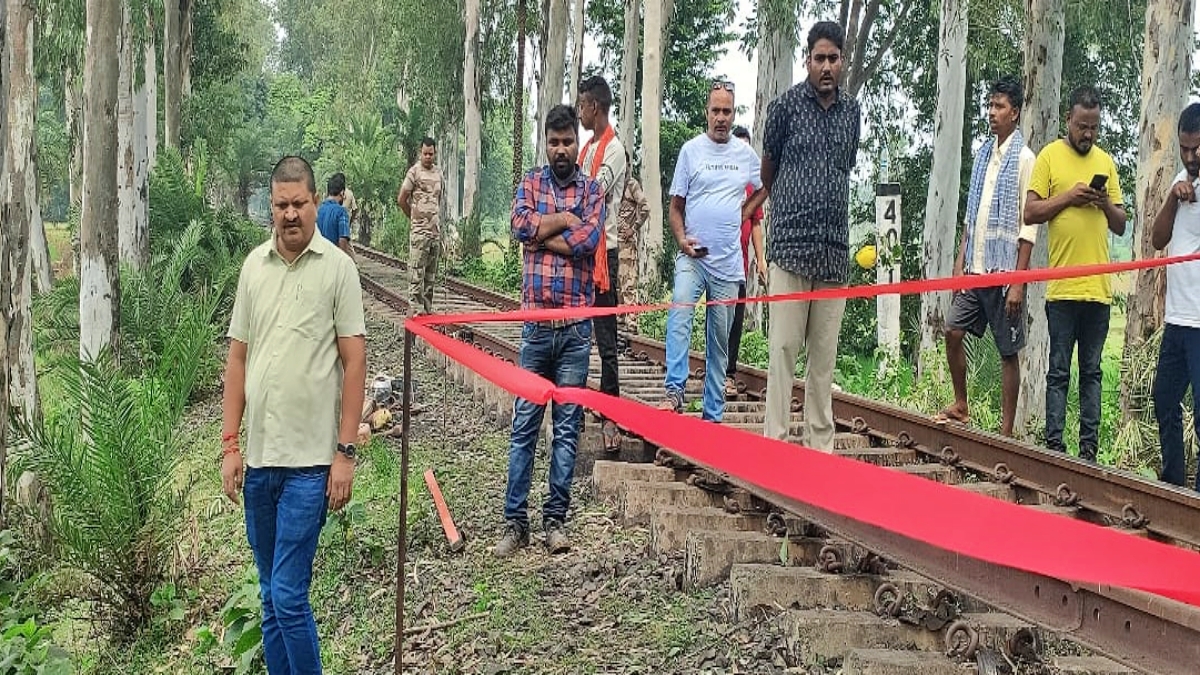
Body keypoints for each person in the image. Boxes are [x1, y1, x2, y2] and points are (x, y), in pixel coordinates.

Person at [220, 156, 367, 674]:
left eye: (298, 204)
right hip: (259, 461)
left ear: (314, 203)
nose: (289, 214)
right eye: (280, 205)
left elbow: (354, 364)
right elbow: (237, 358)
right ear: (271, 207)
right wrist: (230, 445)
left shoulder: (338, 270)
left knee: (288, 594)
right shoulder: (253, 268)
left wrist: (344, 453)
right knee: (267, 596)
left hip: (309, 464)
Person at [495, 104, 603, 557]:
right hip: (536, 329)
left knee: (567, 428)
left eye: (568, 141)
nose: (561, 150)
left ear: (577, 142)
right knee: (524, 425)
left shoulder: (593, 190)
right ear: (546, 142)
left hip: (576, 330)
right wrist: (562, 220)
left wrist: (541, 233)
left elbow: (589, 242)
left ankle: (555, 520)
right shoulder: (530, 182)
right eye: (554, 142)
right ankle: (514, 522)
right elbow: (520, 225)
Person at [755, 22, 861, 451]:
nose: (827, 67)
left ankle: (820, 453)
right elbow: (768, 169)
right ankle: (776, 447)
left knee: (823, 362)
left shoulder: (851, 112)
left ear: (842, 61)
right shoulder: (784, 108)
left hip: (833, 253)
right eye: (819, 58)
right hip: (790, 249)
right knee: (782, 350)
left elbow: (846, 165)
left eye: (833, 58)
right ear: (807, 61)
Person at [1024, 85, 1126, 462]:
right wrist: (1068, 196)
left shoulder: (1107, 163)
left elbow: (1120, 223)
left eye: (1094, 127)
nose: (1088, 134)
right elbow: (1031, 213)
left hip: (1098, 293)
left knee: (1093, 373)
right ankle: (1054, 444)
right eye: (1083, 125)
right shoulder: (1050, 157)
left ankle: (1088, 450)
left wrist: (1101, 202)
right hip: (1062, 290)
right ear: (1068, 119)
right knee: (1059, 370)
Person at [937, 76, 1037, 437]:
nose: (993, 113)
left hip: (1005, 269)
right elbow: (971, 215)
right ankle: (961, 403)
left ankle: (1006, 431)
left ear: (1015, 112)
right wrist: (961, 262)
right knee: (951, 329)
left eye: (1000, 106)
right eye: (990, 105)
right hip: (976, 267)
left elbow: (1029, 228)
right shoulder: (983, 155)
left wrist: (1017, 283)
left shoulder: (1025, 159)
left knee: (1007, 351)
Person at [659, 82, 764, 421]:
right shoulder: (691, 151)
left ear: (734, 114)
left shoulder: (745, 156)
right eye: (715, 111)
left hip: (728, 266)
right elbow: (675, 206)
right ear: (707, 112)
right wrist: (680, 239)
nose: (721, 118)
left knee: (719, 340)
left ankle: (712, 415)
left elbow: (766, 186)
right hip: (693, 258)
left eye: (727, 112)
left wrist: (745, 212)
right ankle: (674, 391)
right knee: (680, 313)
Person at [577, 75, 628, 452]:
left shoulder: (613, 150)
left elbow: (591, 192)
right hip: (580, 249)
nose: (579, 111)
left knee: (605, 337)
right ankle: (576, 406)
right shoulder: (586, 149)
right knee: (577, 334)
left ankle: (610, 411)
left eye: (582, 105)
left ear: (594, 106)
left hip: (602, 254)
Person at [1152, 103, 1200, 489]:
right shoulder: (1180, 180)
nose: (1190, 156)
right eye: (1184, 148)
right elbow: (1157, 239)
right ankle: (1173, 484)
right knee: (1164, 401)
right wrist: (1172, 196)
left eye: (1197, 148)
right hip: (1177, 319)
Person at [725, 125, 767, 397]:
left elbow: (755, 224)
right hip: (717, 265)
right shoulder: (721, 179)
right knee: (719, 318)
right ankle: (715, 370)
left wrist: (761, 260)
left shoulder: (752, 186)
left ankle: (728, 374)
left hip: (740, 266)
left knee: (736, 320)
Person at [399, 138, 445, 315]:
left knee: (430, 277)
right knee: (416, 274)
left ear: (435, 153)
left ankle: (427, 310)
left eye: (431, 154)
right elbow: (402, 198)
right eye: (425, 153)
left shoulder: (438, 173)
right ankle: (415, 311)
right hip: (419, 233)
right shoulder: (414, 172)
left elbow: (438, 200)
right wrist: (413, 217)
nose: (428, 157)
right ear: (420, 152)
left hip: (434, 233)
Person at [617, 165, 650, 334]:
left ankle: (631, 321)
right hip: (612, 242)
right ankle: (620, 317)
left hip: (626, 243)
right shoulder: (613, 184)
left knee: (628, 280)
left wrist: (634, 227)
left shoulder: (631, 185)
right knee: (617, 283)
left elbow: (645, 207)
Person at [316, 172, 354, 257]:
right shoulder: (341, 212)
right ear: (342, 193)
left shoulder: (318, 210)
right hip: (333, 261)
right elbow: (343, 240)